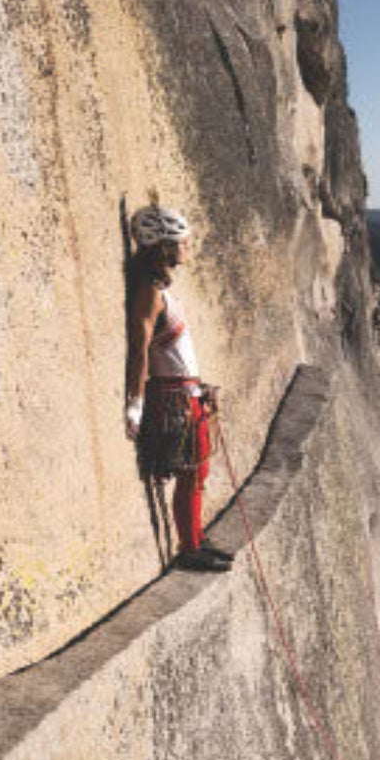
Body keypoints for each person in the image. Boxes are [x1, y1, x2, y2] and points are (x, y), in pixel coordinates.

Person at [124, 203, 234, 572]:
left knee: (197, 472)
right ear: (166, 246)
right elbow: (139, 349)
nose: (188, 247)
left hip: (186, 394)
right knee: (190, 474)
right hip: (174, 396)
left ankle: (195, 539)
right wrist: (134, 403)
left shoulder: (161, 292)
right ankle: (189, 548)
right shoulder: (150, 294)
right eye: (183, 242)